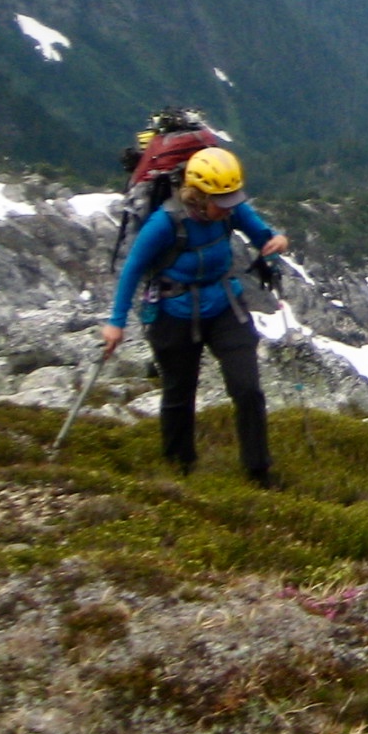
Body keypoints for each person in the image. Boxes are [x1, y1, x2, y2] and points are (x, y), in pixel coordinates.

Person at [100, 145, 291, 485]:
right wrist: (116, 323)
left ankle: (258, 469)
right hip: (173, 312)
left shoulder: (229, 208)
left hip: (223, 306)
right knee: (179, 392)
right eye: (224, 201)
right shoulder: (164, 222)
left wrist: (275, 240)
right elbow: (133, 269)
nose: (231, 207)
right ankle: (179, 467)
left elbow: (262, 234)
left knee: (247, 388)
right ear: (200, 196)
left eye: (234, 199)